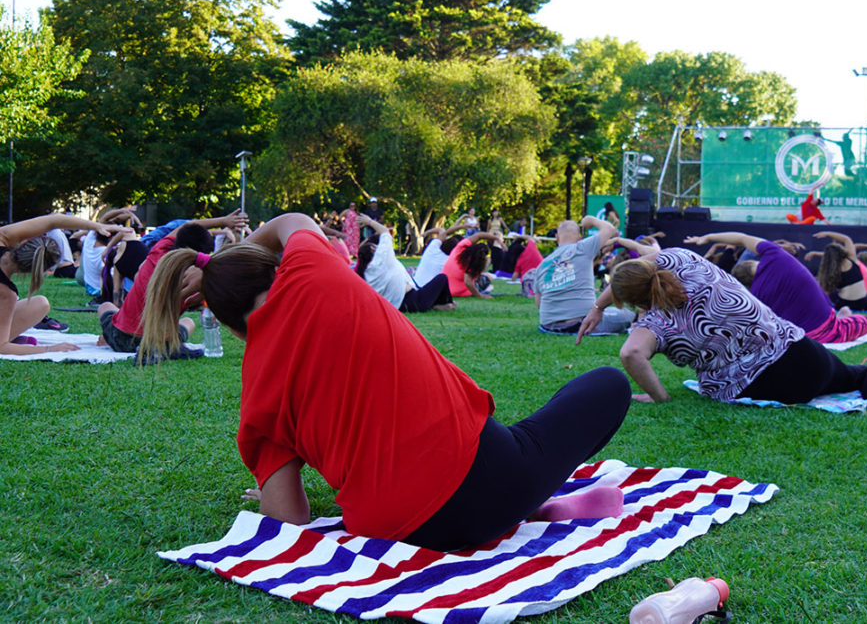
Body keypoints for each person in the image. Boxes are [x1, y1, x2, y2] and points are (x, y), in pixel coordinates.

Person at [139, 213, 632, 551]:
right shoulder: (313, 271)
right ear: (275, 266)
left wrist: (269, 488)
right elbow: (289, 224)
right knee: (607, 383)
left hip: (398, 532)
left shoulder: (256, 398)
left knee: (522, 448)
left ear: (227, 326)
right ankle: (533, 502)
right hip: (490, 477)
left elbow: (287, 520)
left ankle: (536, 503)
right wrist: (228, 259)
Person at [577, 247, 867, 407]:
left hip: (763, 385)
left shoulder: (657, 323)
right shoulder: (684, 259)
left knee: (849, 380)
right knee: (851, 377)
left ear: (637, 301)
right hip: (799, 350)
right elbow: (639, 271)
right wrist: (600, 302)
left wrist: (659, 397)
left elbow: (631, 353)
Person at [97, 211, 247, 354]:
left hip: (122, 338)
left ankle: (109, 337)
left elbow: (185, 226)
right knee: (189, 322)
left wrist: (223, 221)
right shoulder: (194, 284)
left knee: (105, 306)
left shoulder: (159, 250)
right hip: (161, 344)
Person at [685, 232, 867, 344]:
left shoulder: (755, 299)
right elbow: (741, 238)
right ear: (753, 261)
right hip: (827, 330)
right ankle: (843, 316)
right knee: (865, 321)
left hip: (802, 338)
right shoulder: (774, 254)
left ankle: (842, 315)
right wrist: (708, 238)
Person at [0, 213, 123, 355]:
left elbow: (53, 220)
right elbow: (2, 347)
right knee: (40, 303)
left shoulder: (2, 237)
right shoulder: (6, 293)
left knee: (40, 303)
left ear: (22, 243)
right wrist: (49, 349)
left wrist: (97, 226)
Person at [534, 216, 636, 335]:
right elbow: (609, 229)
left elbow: (539, 304)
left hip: (549, 326)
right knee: (627, 314)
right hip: (582, 322)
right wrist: (591, 220)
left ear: (557, 237)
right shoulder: (582, 247)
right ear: (580, 238)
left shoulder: (542, 265)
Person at [354, 213, 455, 313]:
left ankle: (437, 305)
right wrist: (369, 221)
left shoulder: (366, 274)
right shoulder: (382, 258)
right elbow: (385, 232)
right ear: (373, 248)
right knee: (442, 278)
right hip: (414, 301)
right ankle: (444, 304)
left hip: (399, 306)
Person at [812, 231, 867, 310]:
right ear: (841, 251)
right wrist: (828, 234)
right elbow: (846, 239)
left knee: (822, 284)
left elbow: (826, 293)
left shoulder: (830, 271)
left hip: (842, 305)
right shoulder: (852, 259)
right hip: (863, 304)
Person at [441, 230, 500, 298]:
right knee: (489, 277)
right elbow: (468, 282)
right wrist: (479, 296)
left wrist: (495, 238)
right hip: (460, 292)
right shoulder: (472, 262)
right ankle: (484, 289)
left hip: (445, 290)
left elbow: (479, 235)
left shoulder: (460, 247)